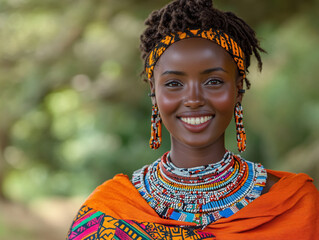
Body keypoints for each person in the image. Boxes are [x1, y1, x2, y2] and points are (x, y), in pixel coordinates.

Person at [66, 0, 319, 239]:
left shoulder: (294, 205)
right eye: (174, 83)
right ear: (154, 93)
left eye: (213, 82)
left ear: (238, 89)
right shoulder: (110, 214)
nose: (194, 99)